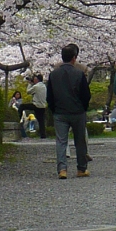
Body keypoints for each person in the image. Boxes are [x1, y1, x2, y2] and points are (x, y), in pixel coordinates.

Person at [46, 44, 91, 179]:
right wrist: (83, 108)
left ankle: (62, 169)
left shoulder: (53, 75)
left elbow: (50, 96)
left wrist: (54, 109)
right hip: (77, 111)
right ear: (74, 58)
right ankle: (81, 168)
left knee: (61, 141)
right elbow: (86, 95)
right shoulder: (79, 74)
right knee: (80, 140)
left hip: (60, 112)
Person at [27, 73, 48, 138]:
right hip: (43, 105)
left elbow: (28, 91)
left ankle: (18, 116)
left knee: (22, 106)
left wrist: (30, 84)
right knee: (41, 120)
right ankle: (43, 135)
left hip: (36, 105)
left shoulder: (36, 86)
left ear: (37, 79)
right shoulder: (44, 86)